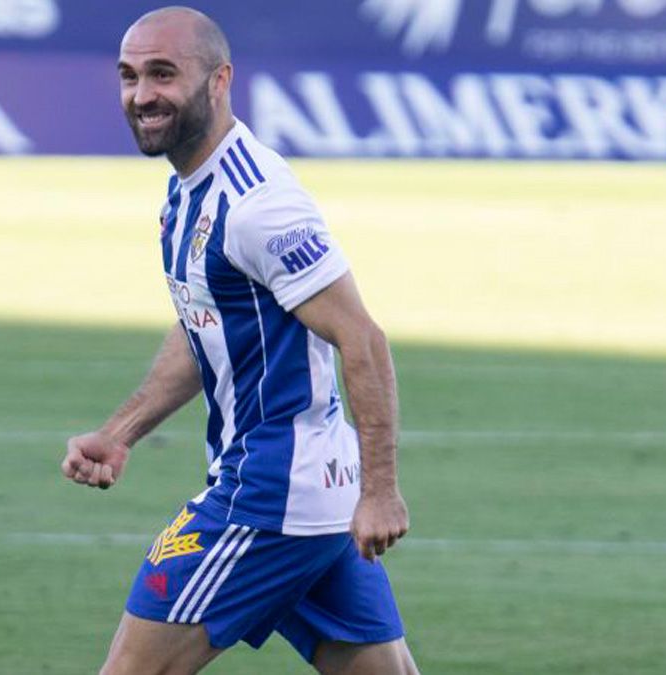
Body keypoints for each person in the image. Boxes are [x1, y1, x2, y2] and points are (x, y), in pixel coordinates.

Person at [60, 6, 420, 674]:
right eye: (130, 76)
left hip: (265, 501)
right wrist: (122, 431)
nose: (143, 95)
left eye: (163, 74)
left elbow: (362, 339)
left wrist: (382, 490)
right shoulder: (190, 193)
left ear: (219, 79)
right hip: (314, 499)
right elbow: (211, 321)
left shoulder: (258, 206)